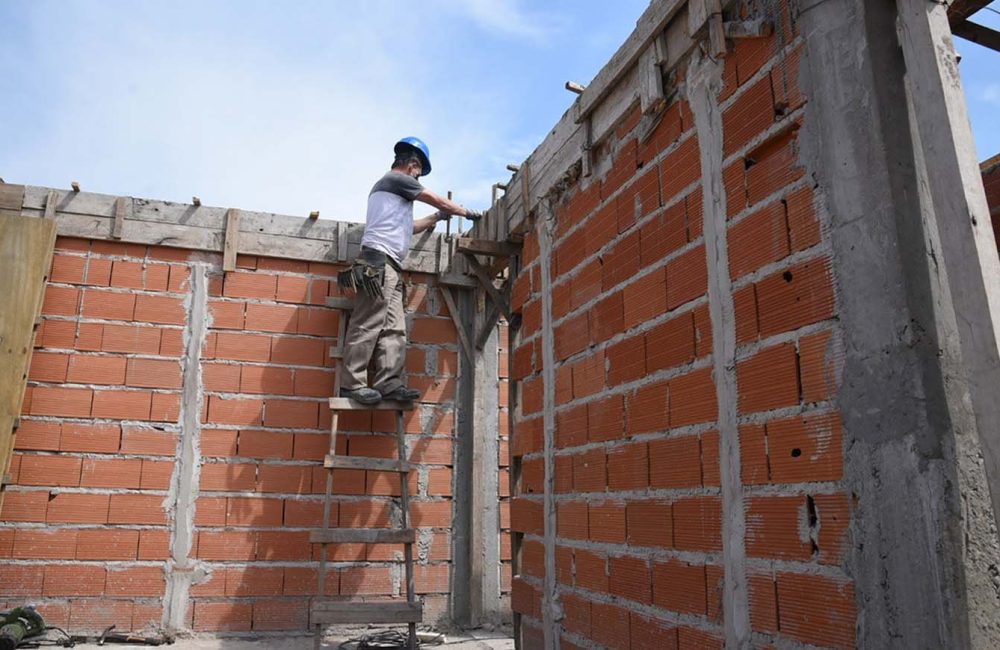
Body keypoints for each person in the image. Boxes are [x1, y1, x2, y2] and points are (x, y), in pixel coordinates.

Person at [339, 136, 482, 405]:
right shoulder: (395, 179)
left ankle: (388, 384)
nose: (418, 177)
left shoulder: (394, 194)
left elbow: (409, 227)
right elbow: (434, 198)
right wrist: (465, 211)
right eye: (418, 172)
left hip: (390, 266)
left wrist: (436, 219)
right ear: (412, 165)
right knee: (367, 324)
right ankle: (352, 384)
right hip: (377, 263)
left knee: (394, 329)